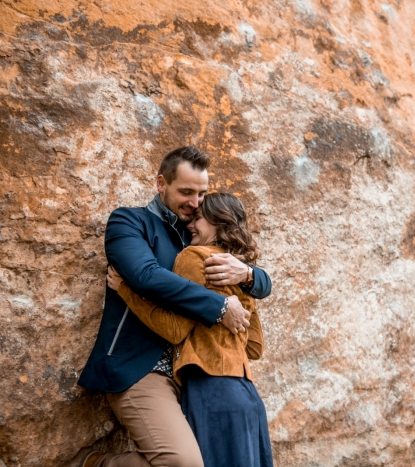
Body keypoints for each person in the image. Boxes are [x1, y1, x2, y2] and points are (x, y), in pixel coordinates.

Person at [78, 147, 272, 467]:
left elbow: (260, 283)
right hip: (142, 367)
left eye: (201, 194)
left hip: (194, 377)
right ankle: (100, 465)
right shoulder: (129, 222)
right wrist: (220, 306)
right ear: (161, 184)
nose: (195, 203)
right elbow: (145, 275)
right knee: (185, 463)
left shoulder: (197, 234)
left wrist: (250, 274)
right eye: (185, 192)